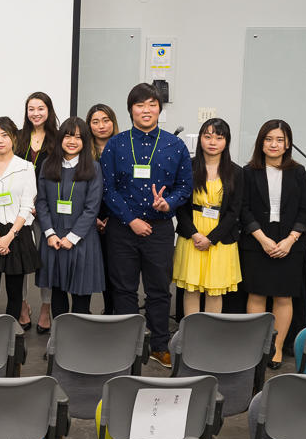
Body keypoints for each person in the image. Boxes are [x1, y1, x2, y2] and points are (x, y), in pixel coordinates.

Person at [100, 83, 192, 367]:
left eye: (152, 104)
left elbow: (184, 186)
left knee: (159, 290)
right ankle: (130, 345)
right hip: (122, 229)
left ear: (159, 109)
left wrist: (169, 203)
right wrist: (131, 220)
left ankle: (160, 345)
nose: (146, 110)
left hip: (160, 229)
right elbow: (107, 188)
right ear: (131, 110)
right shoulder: (116, 144)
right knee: (124, 289)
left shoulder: (174, 145)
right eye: (140, 105)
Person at [240, 119, 306, 369]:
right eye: (269, 139)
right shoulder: (248, 172)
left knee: (283, 296)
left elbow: (305, 211)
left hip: (290, 241)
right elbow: (244, 210)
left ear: (288, 143)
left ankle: (277, 347)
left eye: (280, 139)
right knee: (257, 294)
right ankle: (255, 346)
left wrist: (291, 240)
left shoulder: (298, 171)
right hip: (257, 239)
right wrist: (262, 238)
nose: (274, 144)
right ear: (261, 142)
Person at [173, 118, 243, 316]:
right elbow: (180, 206)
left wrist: (211, 239)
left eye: (219, 138)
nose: (213, 142)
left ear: (226, 141)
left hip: (220, 238)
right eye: (208, 136)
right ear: (200, 139)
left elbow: (234, 212)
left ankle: (210, 338)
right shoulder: (188, 166)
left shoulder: (236, 172)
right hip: (192, 234)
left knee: (215, 291)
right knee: (191, 289)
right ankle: (189, 337)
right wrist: (195, 234)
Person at [36, 118, 105, 316]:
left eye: (78, 137)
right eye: (67, 136)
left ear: (85, 141)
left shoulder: (93, 168)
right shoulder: (48, 165)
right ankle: (59, 341)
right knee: (57, 295)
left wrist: (72, 237)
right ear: (60, 139)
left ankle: (80, 341)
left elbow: (92, 208)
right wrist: (49, 233)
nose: (72, 141)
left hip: (81, 240)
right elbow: (41, 202)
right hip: (54, 239)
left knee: (81, 298)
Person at [0, 117, 39, 319]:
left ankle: (11, 335)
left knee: (15, 293)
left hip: (17, 233)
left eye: (4, 135)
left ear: (13, 137)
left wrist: (9, 236)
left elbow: (27, 205)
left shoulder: (26, 167)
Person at [16, 91, 60, 332]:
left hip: (46, 208)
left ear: (49, 110)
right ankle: (23, 305)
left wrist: (42, 203)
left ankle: (45, 307)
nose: (35, 113)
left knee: (46, 259)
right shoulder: (18, 138)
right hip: (20, 209)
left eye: (40, 108)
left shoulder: (58, 139)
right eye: (31, 109)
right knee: (20, 258)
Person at [86, 103, 119, 314]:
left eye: (106, 120)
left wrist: (112, 217)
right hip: (88, 216)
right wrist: (93, 218)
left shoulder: (122, 147)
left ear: (113, 122)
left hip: (116, 216)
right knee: (86, 267)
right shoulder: (82, 151)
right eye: (95, 122)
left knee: (112, 269)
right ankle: (83, 312)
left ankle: (111, 312)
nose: (101, 126)